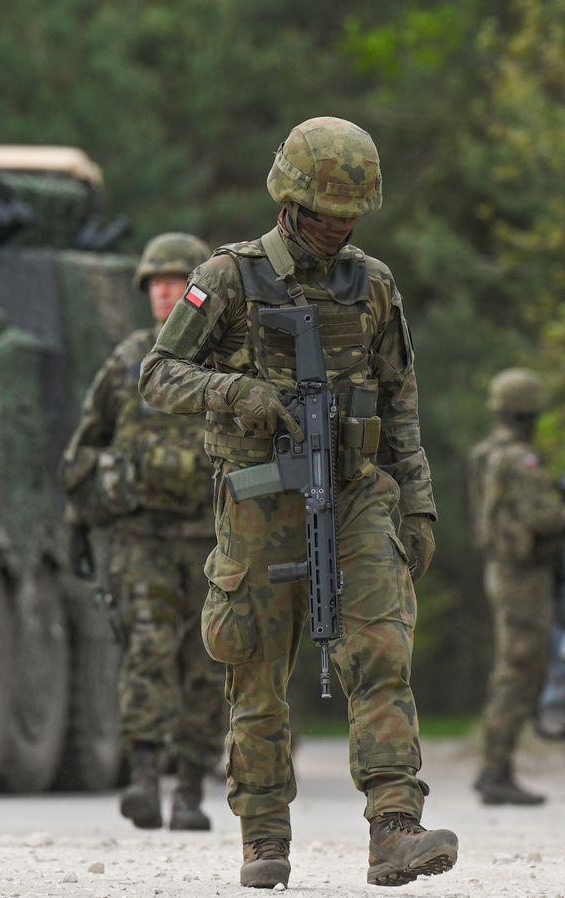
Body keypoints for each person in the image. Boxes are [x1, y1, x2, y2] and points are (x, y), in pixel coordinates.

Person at [138, 117, 457, 889]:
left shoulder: (373, 284)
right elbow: (157, 374)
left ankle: (394, 824)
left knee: (380, 651)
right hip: (257, 501)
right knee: (256, 673)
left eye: (349, 217)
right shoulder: (230, 276)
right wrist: (234, 390)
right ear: (288, 202)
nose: (337, 229)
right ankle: (264, 835)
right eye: (324, 215)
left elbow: (401, 404)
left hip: (355, 496)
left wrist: (416, 504)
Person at [60, 232, 225, 831]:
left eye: (174, 280)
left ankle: (190, 789)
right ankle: (144, 778)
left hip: (211, 538)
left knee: (207, 659)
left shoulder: (226, 357)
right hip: (142, 539)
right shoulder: (128, 359)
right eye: (154, 282)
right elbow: (87, 445)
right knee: (147, 650)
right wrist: (82, 518)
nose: (162, 291)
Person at [469, 367, 565, 805]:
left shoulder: (486, 452)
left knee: (515, 665)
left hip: (504, 568)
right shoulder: (520, 458)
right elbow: (543, 516)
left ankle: (495, 766)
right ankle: (495, 769)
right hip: (523, 573)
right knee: (520, 667)